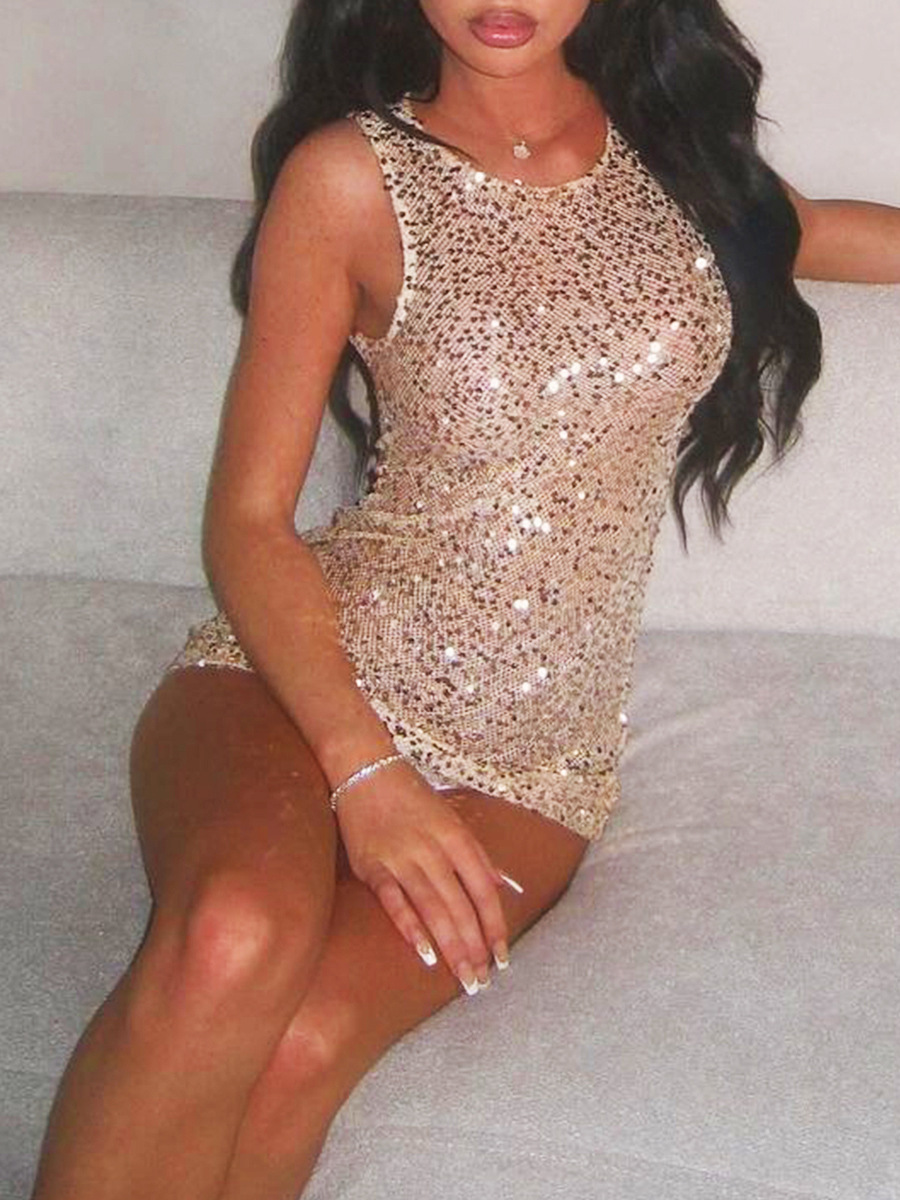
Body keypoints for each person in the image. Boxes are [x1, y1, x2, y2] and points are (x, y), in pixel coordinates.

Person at [29, 2, 900, 1198]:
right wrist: (366, 774)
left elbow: (835, 234)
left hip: (530, 759)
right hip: (299, 677)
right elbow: (247, 522)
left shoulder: (689, 172)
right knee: (233, 934)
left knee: (304, 1045)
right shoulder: (347, 176)